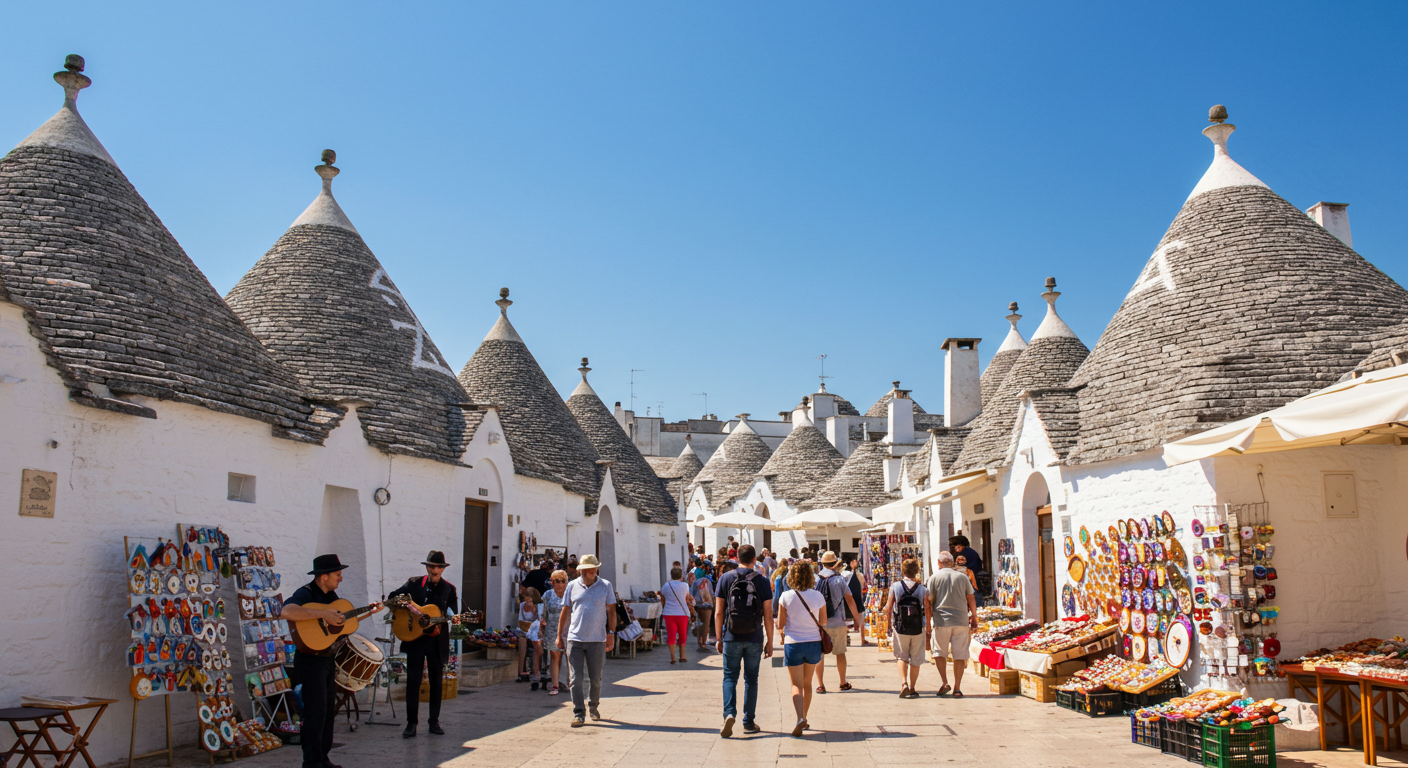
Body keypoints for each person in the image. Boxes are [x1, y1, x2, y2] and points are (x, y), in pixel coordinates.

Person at [282, 554, 383, 768]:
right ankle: (311, 762)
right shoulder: (305, 593)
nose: (341, 578)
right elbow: (286, 611)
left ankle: (323, 758)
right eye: (338, 574)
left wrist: (369, 611)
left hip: (328, 660)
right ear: (324, 576)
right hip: (310, 661)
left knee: (328, 712)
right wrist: (322, 614)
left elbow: (341, 623)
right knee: (314, 713)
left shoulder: (332, 596)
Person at [387, 550, 459, 737]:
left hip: (436, 640)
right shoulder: (413, 583)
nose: (435, 570)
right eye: (431, 567)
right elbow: (393, 597)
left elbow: (453, 612)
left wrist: (456, 618)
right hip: (415, 639)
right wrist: (407, 607)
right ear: (426, 568)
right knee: (413, 681)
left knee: (436, 682)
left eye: (438, 567)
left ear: (443, 569)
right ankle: (411, 723)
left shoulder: (449, 589)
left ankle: (434, 722)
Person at [713, 544, 774, 738]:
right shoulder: (762, 581)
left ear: (737, 558)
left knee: (730, 676)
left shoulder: (725, 578)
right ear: (755, 559)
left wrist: (718, 637)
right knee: (751, 679)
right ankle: (748, 721)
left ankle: (729, 713)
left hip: (731, 635)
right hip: (754, 636)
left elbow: (719, 612)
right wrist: (770, 641)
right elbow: (768, 614)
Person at [556, 554, 616, 727]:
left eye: (591, 569)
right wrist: (559, 635)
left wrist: (611, 633)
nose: (588, 572)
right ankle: (579, 713)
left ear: (596, 569)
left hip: (597, 639)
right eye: (585, 570)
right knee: (575, 679)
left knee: (595, 678)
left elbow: (611, 610)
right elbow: (565, 611)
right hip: (575, 639)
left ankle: (594, 706)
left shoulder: (605, 586)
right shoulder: (572, 586)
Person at [775, 559, 824, 737]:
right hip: (813, 642)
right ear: (811, 576)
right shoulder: (818, 596)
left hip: (793, 643)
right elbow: (823, 622)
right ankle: (805, 716)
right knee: (807, 683)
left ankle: (799, 718)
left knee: (795, 684)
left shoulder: (786, 597)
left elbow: (780, 623)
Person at [926, 551, 978, 697]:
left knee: (939, 653)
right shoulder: (962, 577)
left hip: (941, 621)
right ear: (952, 562)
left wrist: (929, 622)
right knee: (960, 655)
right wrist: (974, 616)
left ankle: (945, 682)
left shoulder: (933, 578)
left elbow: (928, 600)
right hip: (961, 620)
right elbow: (971, 598)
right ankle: (957, 688)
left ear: (939, 562)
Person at [880, 558, 931, 698]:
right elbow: (927, 610)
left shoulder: (896, 586)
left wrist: (889, 625)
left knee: (901, 657)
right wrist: (928, 629)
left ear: (903, 570)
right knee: (916, 659)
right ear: (917, 571)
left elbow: (889, 607)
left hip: (900, 626)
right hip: (918, 627)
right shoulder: (922, 589)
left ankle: (904, 683)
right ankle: (913, 688)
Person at [813, 551, 862, 694]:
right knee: (840, 653)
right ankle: (842, 682)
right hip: (838, 622)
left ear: (822, 563)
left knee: (819, 655)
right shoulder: (840, 580)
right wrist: (856, 620)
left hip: (820, 623)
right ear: (835, 564)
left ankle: (821, 685)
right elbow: (850, 600)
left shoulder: (815, 579)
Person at [659, 566, 695, 664]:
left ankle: (673, 657)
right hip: (682, 613)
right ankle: (682, 655)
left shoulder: (665, 586)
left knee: (671, 635)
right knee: (683, 635)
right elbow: (687, 599)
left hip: (669, 613)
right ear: (681, 575)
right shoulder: (685, 586)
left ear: (671, 575)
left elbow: (662, 599)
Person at [541, 570, 568, 694]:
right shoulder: (548, 595)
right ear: (552, 582)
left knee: (571, 657)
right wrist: (542, 626)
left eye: (562, 580)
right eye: (556, 580)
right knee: (554, 656)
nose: (559, 583)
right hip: (552, 629)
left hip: (569, 628)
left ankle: (571, 683)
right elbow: (544, 613)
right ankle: (555, 685)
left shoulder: (571, 594)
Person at [516, 586, 542, 687]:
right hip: (524, 629)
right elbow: (520, 620)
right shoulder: (522, 605)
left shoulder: (538, 606)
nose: (526, 600)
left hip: (534, 629)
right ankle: (520, 671)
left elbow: (539, 620)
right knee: (522, 642)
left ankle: (536, 671)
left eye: (529, 598)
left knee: (537, 645)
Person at [845, 559, 868, 646]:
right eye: (853, 562)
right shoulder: (846, 574)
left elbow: (862, 584)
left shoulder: (858, 574)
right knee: (847, 620)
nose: (855, 563)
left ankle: (862, 639)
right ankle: (846, 637)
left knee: (860, 619)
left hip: (857, 598)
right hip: (851, 599)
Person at [692, 569, 715, 651]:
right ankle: (704, 643)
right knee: (706, 625)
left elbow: (693, 593)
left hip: (698, 605)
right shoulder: (708, 581)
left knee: (701, 622)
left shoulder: (695, 582)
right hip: (708, 605)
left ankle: (699, 641)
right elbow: (712, 593)